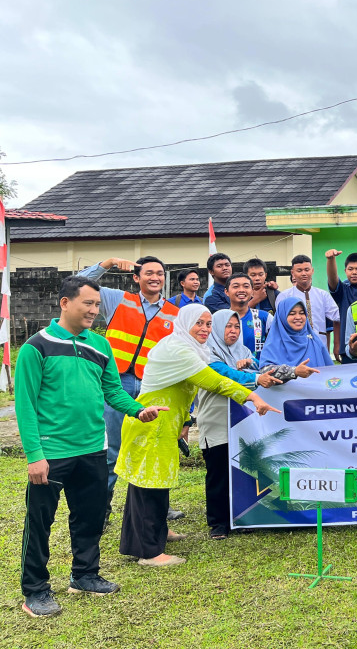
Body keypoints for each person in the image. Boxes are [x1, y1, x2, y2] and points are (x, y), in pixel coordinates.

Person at [15, 276, 169, 617]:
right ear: (65, 303)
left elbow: (113, 390)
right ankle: (35, 590)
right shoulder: (35, 347)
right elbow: (24, 405)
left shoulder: (100, 346)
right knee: (40, 523)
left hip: (93, 449)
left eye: (97, 305)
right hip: (52, 452)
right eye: (88, 304)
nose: (94, 311)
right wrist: (35, 455)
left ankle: (85, 575)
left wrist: (138, 410)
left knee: (89, 518)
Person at [115, 304, 279, 566]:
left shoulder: (189, 346)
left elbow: (184, 391)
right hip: (151, 422)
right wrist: (252, 395)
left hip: (166, 421)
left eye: (208, 324)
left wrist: (185, 421)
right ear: (185, 323)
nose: (204, 329)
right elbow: (212, 380)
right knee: (148, 484)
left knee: (159, 480)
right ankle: (149, 552)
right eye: (198, 324)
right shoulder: (178, 348)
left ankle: (159, 532)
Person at [76, 256, 179, 520]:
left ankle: (158, 509)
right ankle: (101, 509)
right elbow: (77, 284)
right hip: (115, 384)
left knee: (151, 448)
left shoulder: (174, 314)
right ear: (137, 277)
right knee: (111, 450)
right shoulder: (117, 299)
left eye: (159, 273)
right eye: (149, 273)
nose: (155, 277)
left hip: (151, 387)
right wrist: (107, 264)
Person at [199, 311, 311, 539]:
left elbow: (263, 370)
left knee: (243, 469)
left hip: (242, 419)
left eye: (236, 327)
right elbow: (226, 376)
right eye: (227, 327)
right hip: (217, 419)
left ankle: (241, 517)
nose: (233, 331)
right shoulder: (205, 354)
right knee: (218, 471)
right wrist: (256, 377)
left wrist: (292, 372)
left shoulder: (244, 352)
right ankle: (218, 523)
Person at [277, 254, 341, 357]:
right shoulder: (284, 296)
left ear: (312, 271)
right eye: (299, 271)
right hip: (294, 347)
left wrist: (337, 345)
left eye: (307, 270)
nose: (304, 273)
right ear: (293, 273)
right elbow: (280, 324)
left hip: (320, 344)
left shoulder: (323, 295)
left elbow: (338, 317)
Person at [261, 298, 334, 369]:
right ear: (282, 317)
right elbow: (266, 370)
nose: (298, 317)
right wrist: (294, 372)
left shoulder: (314, 341)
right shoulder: (273, 344)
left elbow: (330, 371)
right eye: (292, 314)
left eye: (302, 313)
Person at [224, 273, 273, 362]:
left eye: (246, 286)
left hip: (259, 373)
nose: (241, 290)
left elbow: (276, 346)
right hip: (227, 373)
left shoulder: (265, 317)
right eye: (236, 287)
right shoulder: (219, 319)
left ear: (252, 291)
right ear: (226, 292)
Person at [326, 251, 357, 362]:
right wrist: (331, 259)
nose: (354, 272)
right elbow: (333, 279)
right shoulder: (344, 291)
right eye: (350, 269)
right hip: (349, 349)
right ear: (345, 271)